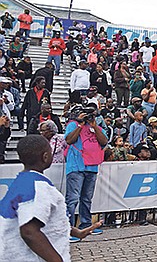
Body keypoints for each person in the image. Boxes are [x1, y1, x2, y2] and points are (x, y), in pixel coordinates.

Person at [0, 136, 102, 261]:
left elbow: (46, 219)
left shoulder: (23, 182)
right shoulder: (37, 187)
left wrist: (76, 232)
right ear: (45, 157)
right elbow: (29, 230)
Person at [64, 105, 108, 241]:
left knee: (86, 199)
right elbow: (69, 140)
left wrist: (94, 126)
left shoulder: (97, 128)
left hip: (92, 167)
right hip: (76, 167)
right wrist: (80, 124)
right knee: (72, 199)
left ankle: (86, 225)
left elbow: (104, 142)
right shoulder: (72, 125)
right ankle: (68, 229)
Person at [0, 77, 15, 163]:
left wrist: (6, 101)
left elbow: (12, 107)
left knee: (4, 137)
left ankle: (1, 154)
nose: (6, 85)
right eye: (3, 83)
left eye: (6, 83)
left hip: (5, 119)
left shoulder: (8, 94)